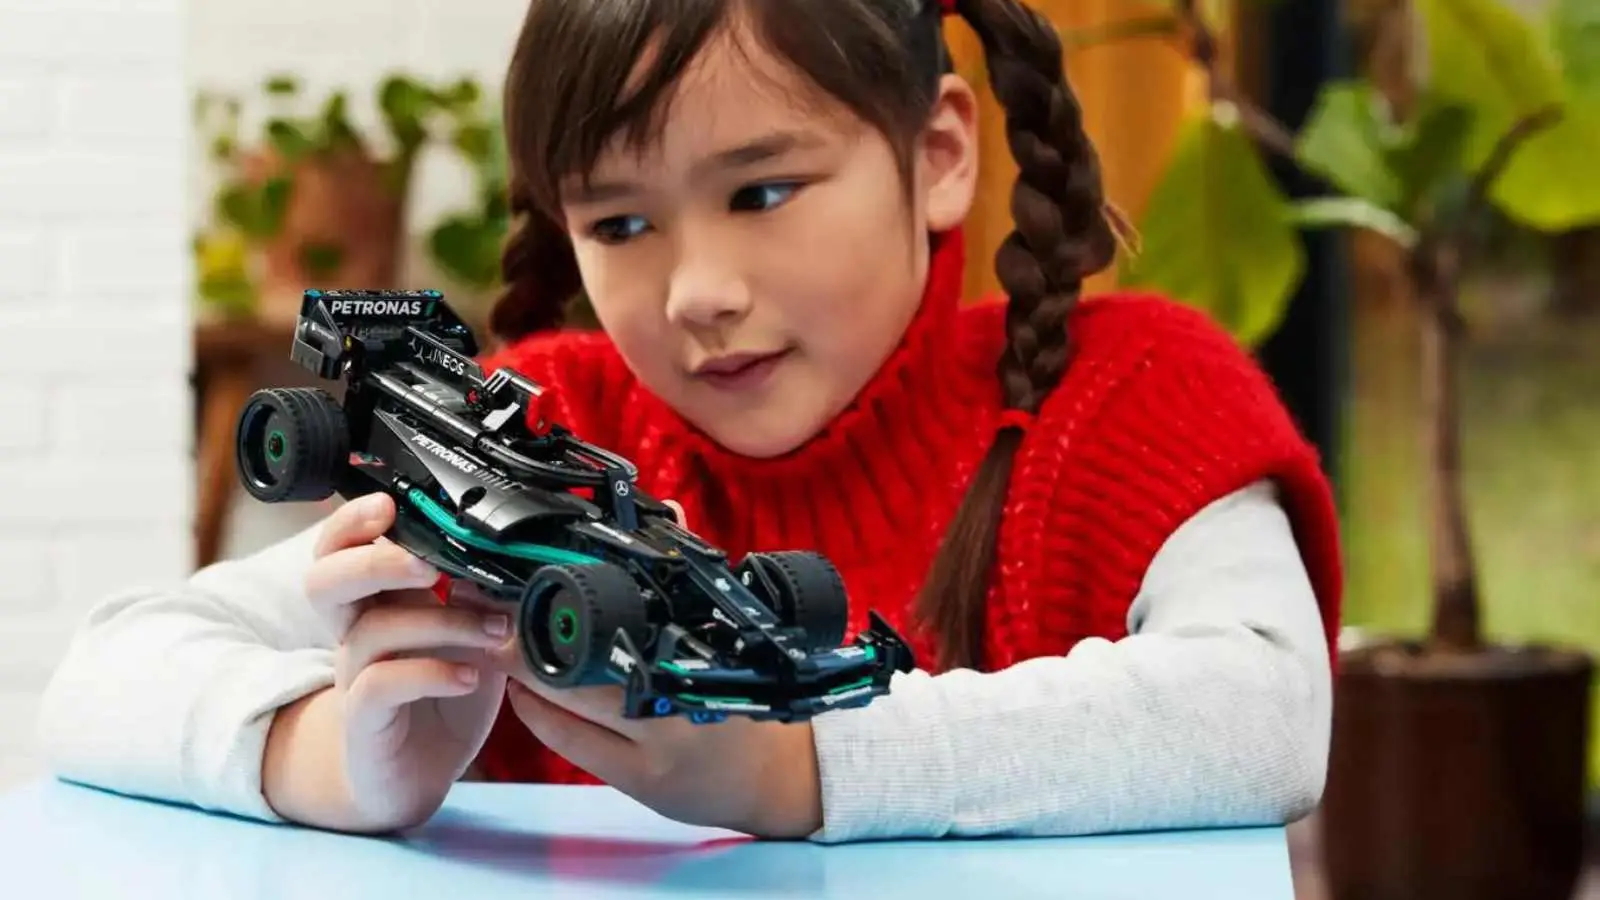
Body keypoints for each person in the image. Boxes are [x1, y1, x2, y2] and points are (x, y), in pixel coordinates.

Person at [34, 0, 1342, 844]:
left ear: (941, 155)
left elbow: (1266, 710)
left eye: (763, 190)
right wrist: (330, 754)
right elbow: (103, 677)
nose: (699, 292)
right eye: (621, 223)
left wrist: (803, 771)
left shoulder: (1124, 395)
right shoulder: (550, 424)